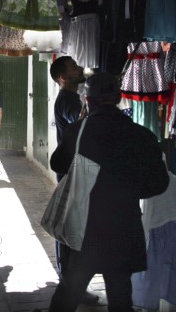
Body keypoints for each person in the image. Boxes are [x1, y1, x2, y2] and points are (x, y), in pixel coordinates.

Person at [48, 72, 169, 312]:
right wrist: (128, 191)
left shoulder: (78, 131)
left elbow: (58, 165)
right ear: (118, 98)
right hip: (124, 225)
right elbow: (159, 183)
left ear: (88, 101)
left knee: (71, 290)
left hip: (85, 226)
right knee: (120, 291)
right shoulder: (142, 135)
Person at [49, 56, 100, 305]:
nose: (79, 69)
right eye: (73, 68)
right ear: (63, 78)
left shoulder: (68, 97)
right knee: (71, 230)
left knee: (71, 229)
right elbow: (79, 123)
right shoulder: (67, 100)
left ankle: (71, 285)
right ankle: (69, 286)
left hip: (72, 170)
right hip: (72, 171)